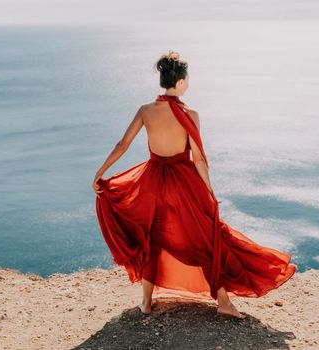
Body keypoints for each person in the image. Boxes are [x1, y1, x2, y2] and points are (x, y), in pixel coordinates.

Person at [92, 50, 297, 319]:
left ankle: (146, 301)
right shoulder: (190, 114)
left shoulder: (145, 111)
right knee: (204, 240)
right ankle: (223, 301)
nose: (188, 83)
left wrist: (101, 172)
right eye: (186, 80)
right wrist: (210, 192)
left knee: (152, 237)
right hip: (183, 182)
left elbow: (122, 144)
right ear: (179, 82)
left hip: (152, 180)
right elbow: (199, 159)